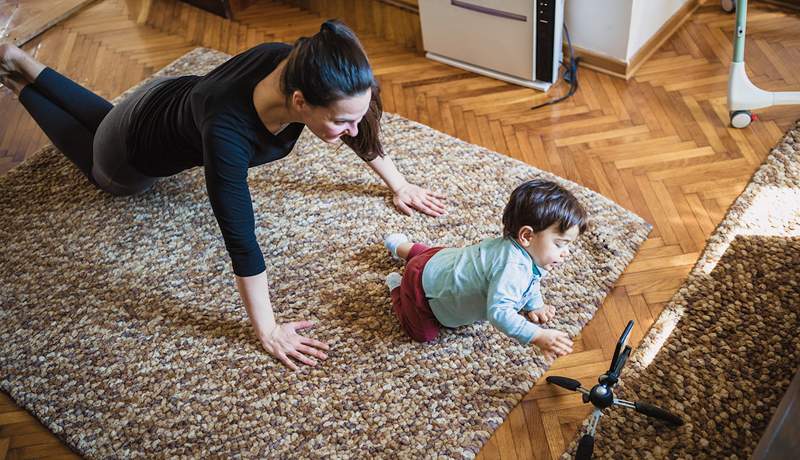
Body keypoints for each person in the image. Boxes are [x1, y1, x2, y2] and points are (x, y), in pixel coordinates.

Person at [0, 20, 446, 370]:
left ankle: (16, 58)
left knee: (106, 120)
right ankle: (18, 82)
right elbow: (241, 237)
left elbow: (355, 117)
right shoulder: (228, 134)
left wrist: (400, 183)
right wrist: (267, 329)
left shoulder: (298, 63)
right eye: (341, 123)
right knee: (107, 171)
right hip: (133, 151)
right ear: (299, 102)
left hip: (163, 97)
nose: (351, 130)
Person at [383, 179, 584, 360]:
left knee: (425, 255)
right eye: (560, 244)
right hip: (422, 291)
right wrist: (537, 335)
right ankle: (397, 288)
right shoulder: (513, 269)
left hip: (440, 260)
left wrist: (535, 305)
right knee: (423, 334)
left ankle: (399, 246)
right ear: (527, 236)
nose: (566, 253)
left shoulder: (523, 251)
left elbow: (533, 280)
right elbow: (499, 313)